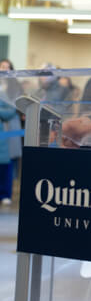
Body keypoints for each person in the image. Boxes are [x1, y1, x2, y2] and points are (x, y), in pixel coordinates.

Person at [0, 58, 23, 205]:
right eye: (2, 67)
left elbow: (11, 111)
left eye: (7, 67)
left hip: (8, 131)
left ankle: (5, 194)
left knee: (6, 165)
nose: (4, 70)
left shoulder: (15, 88)